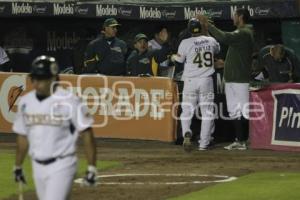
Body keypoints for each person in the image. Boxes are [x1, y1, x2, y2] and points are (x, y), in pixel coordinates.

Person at [13, 55, 97, 200]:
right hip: (37, 165)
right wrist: (18, 166)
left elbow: (87, 132)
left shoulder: (70, 101)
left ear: (53, 78)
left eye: (42, 78)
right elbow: (22, 135)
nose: (37, 83)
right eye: (35, 78)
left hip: (62, 164)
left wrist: (91, 167)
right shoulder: (26, 102)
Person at [198, 8, 254, 150]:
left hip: (240, 79)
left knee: (245, 111)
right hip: (231, 79)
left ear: (240, 17)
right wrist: (226, 64)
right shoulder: (241, 34)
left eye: (234, 15)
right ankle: (240, 140)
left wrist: (208, 25)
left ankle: (251, 139)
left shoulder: (244, 32)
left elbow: (224, 37)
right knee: (234, 111)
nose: (232, 18)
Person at [173, 18, 220, 151]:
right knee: (207, 113)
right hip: (206, 80)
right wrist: (206, 33)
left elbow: (179, 59)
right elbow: (217, 50)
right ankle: (204, 144)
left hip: (190, 81)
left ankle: (186, 132)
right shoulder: (210, 40)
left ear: (189, 30)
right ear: (201, 28)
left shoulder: (185, 42)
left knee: (187, 111)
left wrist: (172, 57)